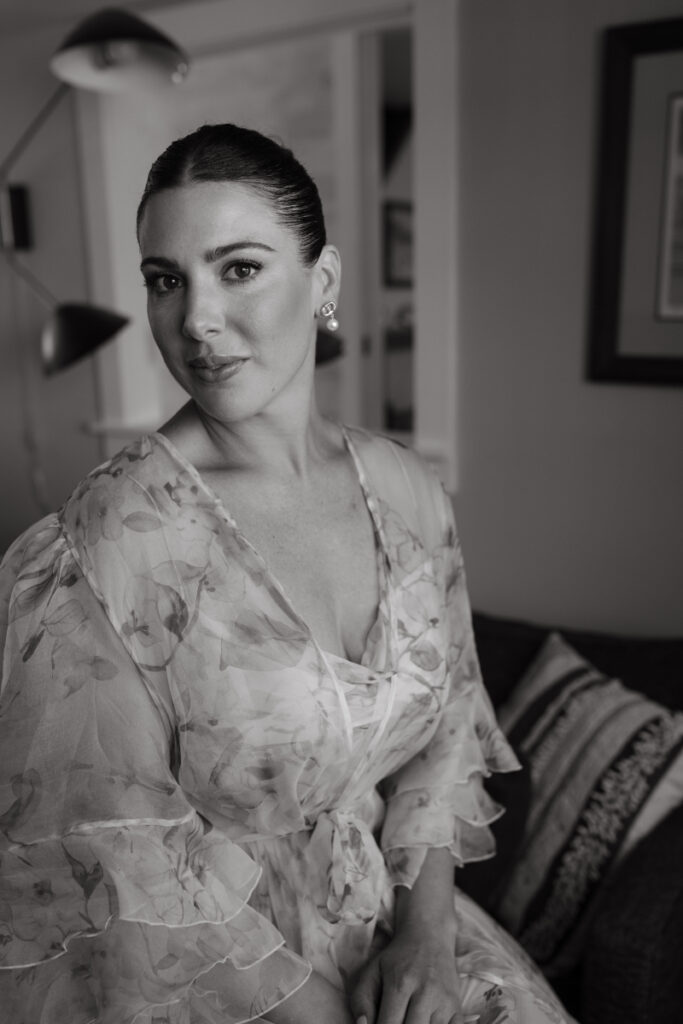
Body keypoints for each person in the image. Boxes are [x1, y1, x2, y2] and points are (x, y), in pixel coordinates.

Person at [0, 124, 574, 1024]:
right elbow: (109, 865)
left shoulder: (408, 494)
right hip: (215, 978)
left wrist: (423, 937)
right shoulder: (107, 543)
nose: (195, 318)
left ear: (326, 282)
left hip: (397, 926)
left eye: (238, 268)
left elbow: (448, 724)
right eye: (165, 280)